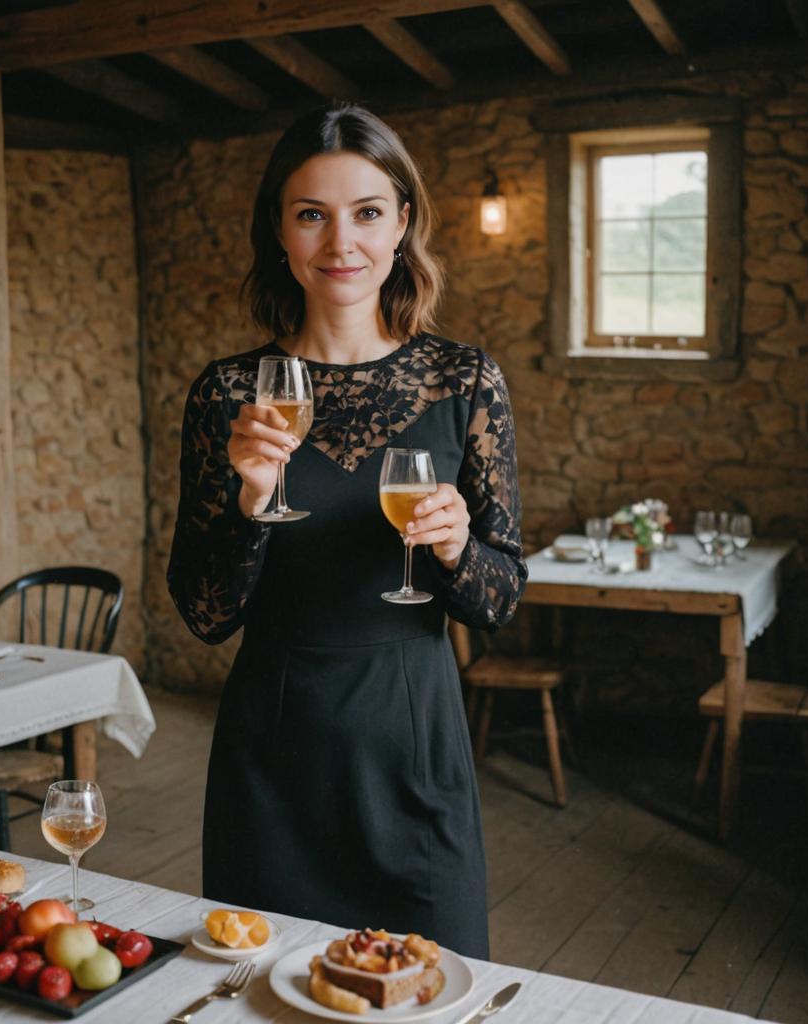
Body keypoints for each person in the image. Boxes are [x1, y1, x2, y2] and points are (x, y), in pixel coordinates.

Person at [168, 103, 526, 960]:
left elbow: (501, 597)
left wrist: (453, 548)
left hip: (414, 744)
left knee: (432, 993)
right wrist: (252, 507)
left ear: (402, 224)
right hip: (274, 750)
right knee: (266, 996)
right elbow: (206, 612)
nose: (342, 242)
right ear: (280, 233)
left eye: (367, 212)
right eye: (311, 215)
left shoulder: (464, 380)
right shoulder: (227, 394)